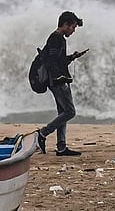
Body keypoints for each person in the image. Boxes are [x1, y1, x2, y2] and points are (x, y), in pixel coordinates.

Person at [37, 11, 88, 156]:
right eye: (72, 27)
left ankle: (61, 147)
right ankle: (43, 133)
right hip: (58, 81)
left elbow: (58, 60)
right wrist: (59, 79)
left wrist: (72, 57)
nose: (73, 31)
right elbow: (52, 62)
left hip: (58, 80)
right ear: (65, 25)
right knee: (70, 112)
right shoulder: (55, 38)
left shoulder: (59, 38)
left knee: (62, 112)